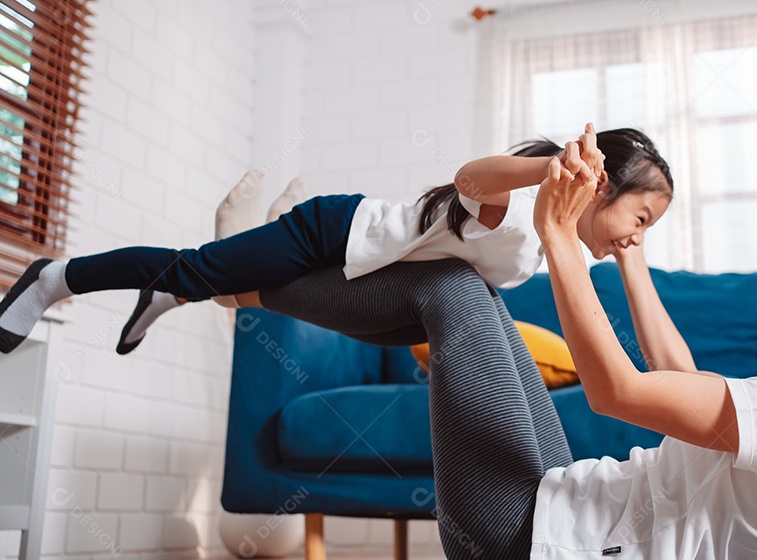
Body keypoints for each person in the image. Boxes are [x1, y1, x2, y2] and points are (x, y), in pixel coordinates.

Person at [247, 130, 757, 560]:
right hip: (554, 511)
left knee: (453, 286)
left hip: (523, 545)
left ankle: (250, 286)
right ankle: (254, 282)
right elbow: (679, 378)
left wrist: (555, 234)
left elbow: (617, 393)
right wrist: (631, 258)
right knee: (467, 295)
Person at [0, 125, 673, 356]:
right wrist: (549, 167)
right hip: (332, 230)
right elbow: (471, 176)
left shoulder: (542, 249)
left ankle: (176, 296)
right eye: (640, 220)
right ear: (603, 187)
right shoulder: (525, 215)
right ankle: (57, 277)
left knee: (385, 330)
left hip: (372, 272)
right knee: (196, 268)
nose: (634, 241)